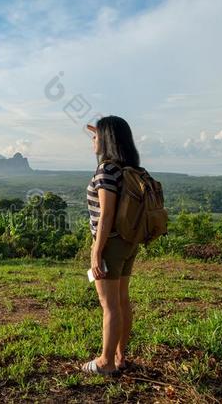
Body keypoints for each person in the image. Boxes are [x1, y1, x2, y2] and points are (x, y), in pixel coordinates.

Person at [81, 115, 141, 376]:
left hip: (111, 245)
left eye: (96, 137)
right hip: (128, 243)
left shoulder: (106, 170)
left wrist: (96, 250)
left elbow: (105, 215)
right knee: (122, 301)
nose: (92, 141)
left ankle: (105, 362)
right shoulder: (127, 168)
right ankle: (120, 356)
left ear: (106, 140)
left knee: (109, 305)